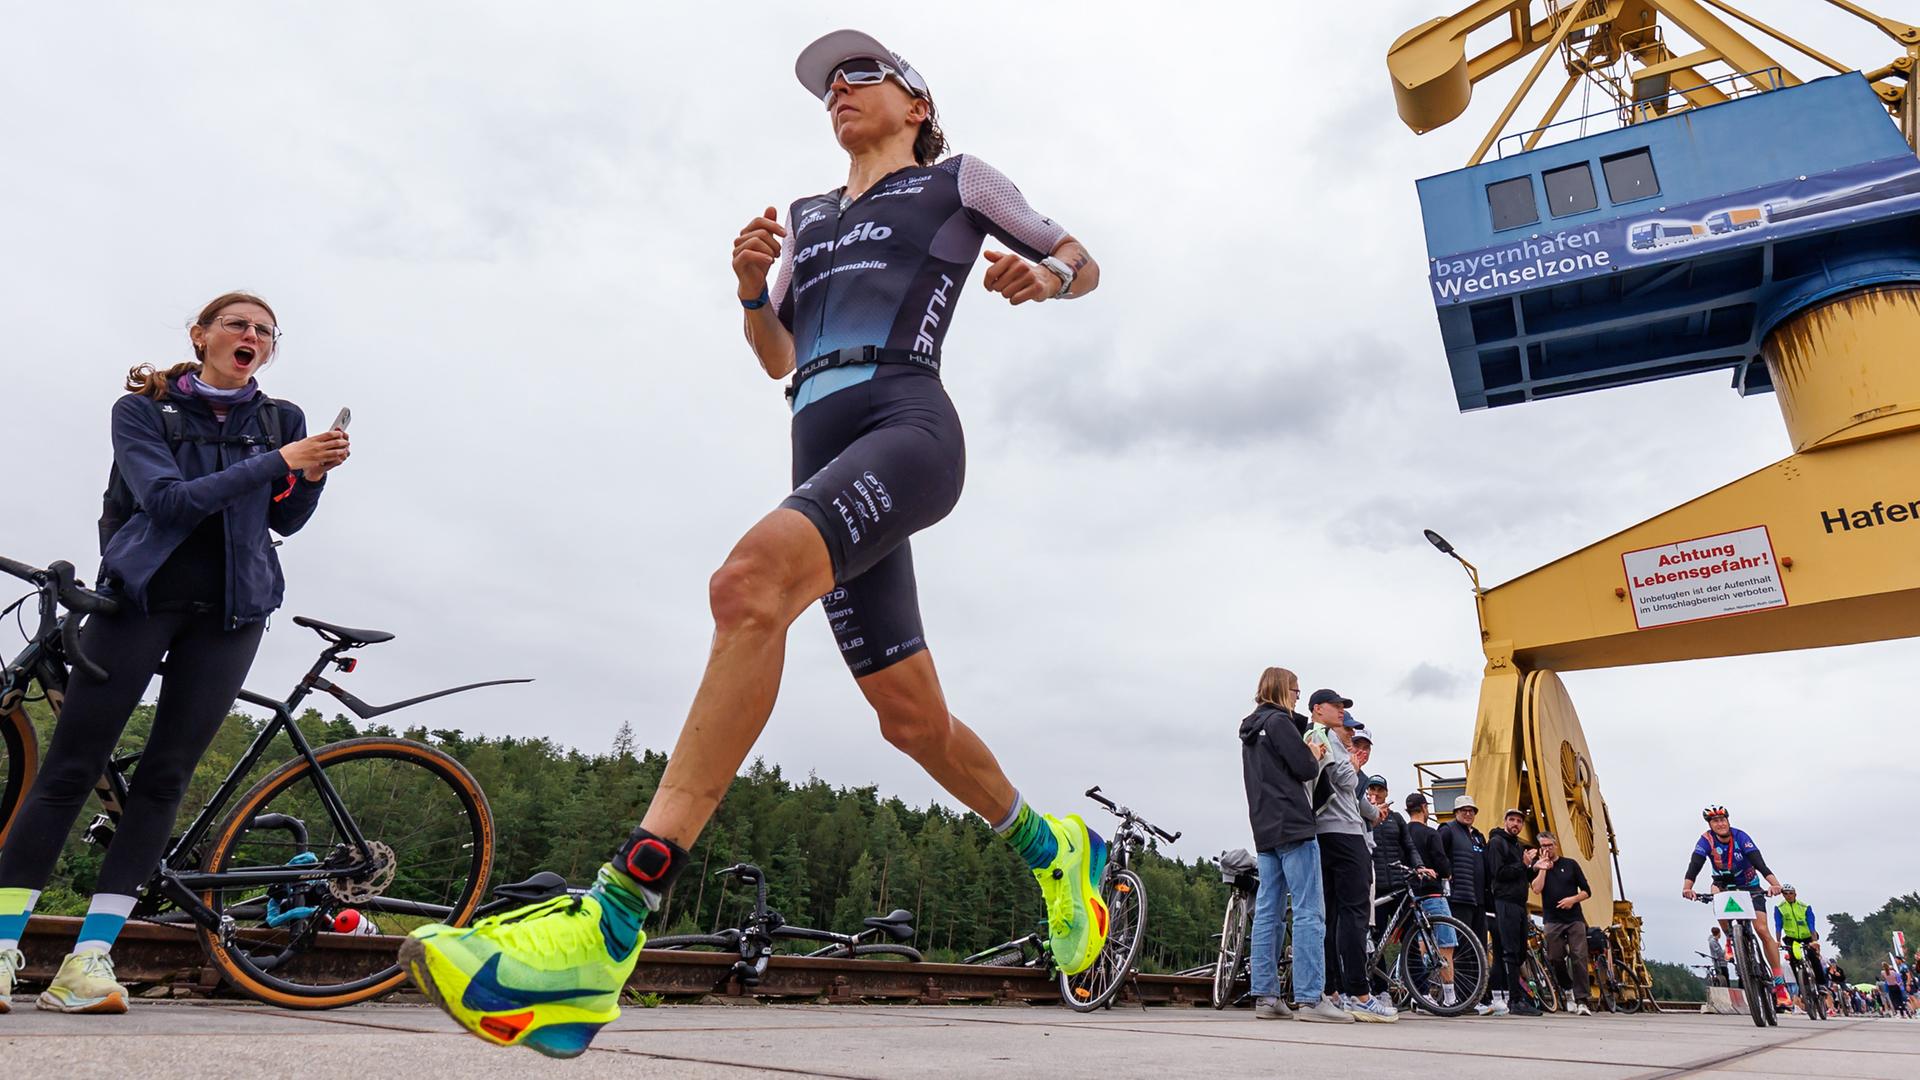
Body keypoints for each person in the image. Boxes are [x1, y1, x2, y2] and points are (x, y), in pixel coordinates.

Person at [401, 31, 1104, 1058]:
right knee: (909, 722)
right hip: (815, 438)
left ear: (916, 102)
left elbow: (1078, 255)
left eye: (861, 77)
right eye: (828, 86)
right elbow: (776, 351)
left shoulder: (958, 179)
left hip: (906, 430)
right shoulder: (810, 217)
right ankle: (1055, 849)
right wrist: (745, 287)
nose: (839, 94)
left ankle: (608, 925)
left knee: (746, 584)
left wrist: (1050, 282)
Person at [0, 292, 345, 1015]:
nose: (251, 336)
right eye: (237, 325)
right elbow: (168, 502)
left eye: (264, 331)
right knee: (70, 768)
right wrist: (279, 460)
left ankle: (90, 961)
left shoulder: (282, 419)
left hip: (234, 612)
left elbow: (281, 518)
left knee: (164, 781)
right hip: (139, 600)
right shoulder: (144, 411)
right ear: (201, 336)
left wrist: (308, 479)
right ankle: (2, 945)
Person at [1237, 668, 1349, 1023]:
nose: (1299, 697)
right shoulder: (1281, 724)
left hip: (1264, 827)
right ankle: (1310, 998)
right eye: (1296, 692)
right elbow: (1303, 768)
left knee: (1269, 912)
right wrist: (1315, 749)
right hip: (1295, 825)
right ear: (1283, 689)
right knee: (1308, 910)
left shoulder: (1252, 730)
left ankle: (1267, 997)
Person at [1306, 690, 1396, 1021]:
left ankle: (1333, 989)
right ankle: (1359, 992)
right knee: (1355, 914)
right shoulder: (1328, 740)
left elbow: (1347, 796)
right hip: (1345, 836)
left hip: (1327, 833)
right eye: (1350, 731)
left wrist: (1372, 812)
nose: (1352, 737)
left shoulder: (1322, 738)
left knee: (1330, 915)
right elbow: (1342, 779)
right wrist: (1353, 763)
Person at [1683, 806, 1786, 994]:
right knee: (1716, 894)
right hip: (1723, 883)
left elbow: (1759, 863)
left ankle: (1779, 982)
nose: (1720, 824)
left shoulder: (1740, 837)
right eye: (1715, 821)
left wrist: (1774, 884)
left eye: (1723, 820)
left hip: (1749, 884)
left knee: (1762, 929)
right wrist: (1687, 888)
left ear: (1728, 821)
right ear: (1710, 825)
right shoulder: (1706, 840)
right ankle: (1730, 938)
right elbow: (1695, 864)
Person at [1440, 795, 1499, 1014]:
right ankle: (1464, 999)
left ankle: (1479, 998)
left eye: (1471, 810)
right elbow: (1439, 857)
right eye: (1464, 810)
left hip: (1478, 901)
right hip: (1458, 899)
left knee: (1479, 949)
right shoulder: (1447, 830)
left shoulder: (1478, 837)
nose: (1468, 813)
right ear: (1456, 812)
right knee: (1462, 949)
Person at [1364, 771, 1420, 996]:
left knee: (1413, 938)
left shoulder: (1397, 818)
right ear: (1367, 793)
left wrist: (1419, 865)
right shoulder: (1363, 816)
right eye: (1372, 789)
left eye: (1380, 790)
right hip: (1375, 887)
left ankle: (1420, 991)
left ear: (1386, 793)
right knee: (1376, 942)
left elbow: (1409, 846)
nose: (1376, 793)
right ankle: (1381, 990)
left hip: (1399, 886)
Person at [1403, 792, 1459, 1008]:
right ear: (1425, 808)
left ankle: (1420, 994)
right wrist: (1447, 872)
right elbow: (1442, 865)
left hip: (1411, 894)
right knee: (1446, 944)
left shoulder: (1403, 831)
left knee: (1419, 944)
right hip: (1432, 893)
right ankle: (1449, 997)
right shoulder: (1431, 833)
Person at [1487, 808, 1544, 1016]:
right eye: (1512, 820)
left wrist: (1535, 867)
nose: (1516, 824)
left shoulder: (1517, 846)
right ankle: (1514, 1000)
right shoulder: (1496, 843)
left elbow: (1523, 875)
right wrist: (1523, 864)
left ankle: (1516, 995)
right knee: (1510, 951)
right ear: (1505, 822)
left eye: (1519, 821)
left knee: (1519, 951)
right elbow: (1498, 873)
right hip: (1505, 902)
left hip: (1520, 904)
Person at [1529, 831, 1593, 1015]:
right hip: (1552, 919)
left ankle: (1582, 1000)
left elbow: (1587, 891)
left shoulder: (1570, 864)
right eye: (1543, 846)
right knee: (1554, 957)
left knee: (1579, 956)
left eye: (1550, 845)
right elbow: (1536, 889)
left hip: (1573, 918)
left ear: (1555, 845)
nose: (1547, 849)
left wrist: (1572, 899)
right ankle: (1567, 988)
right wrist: (1542, 868)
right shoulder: (1536, 867)